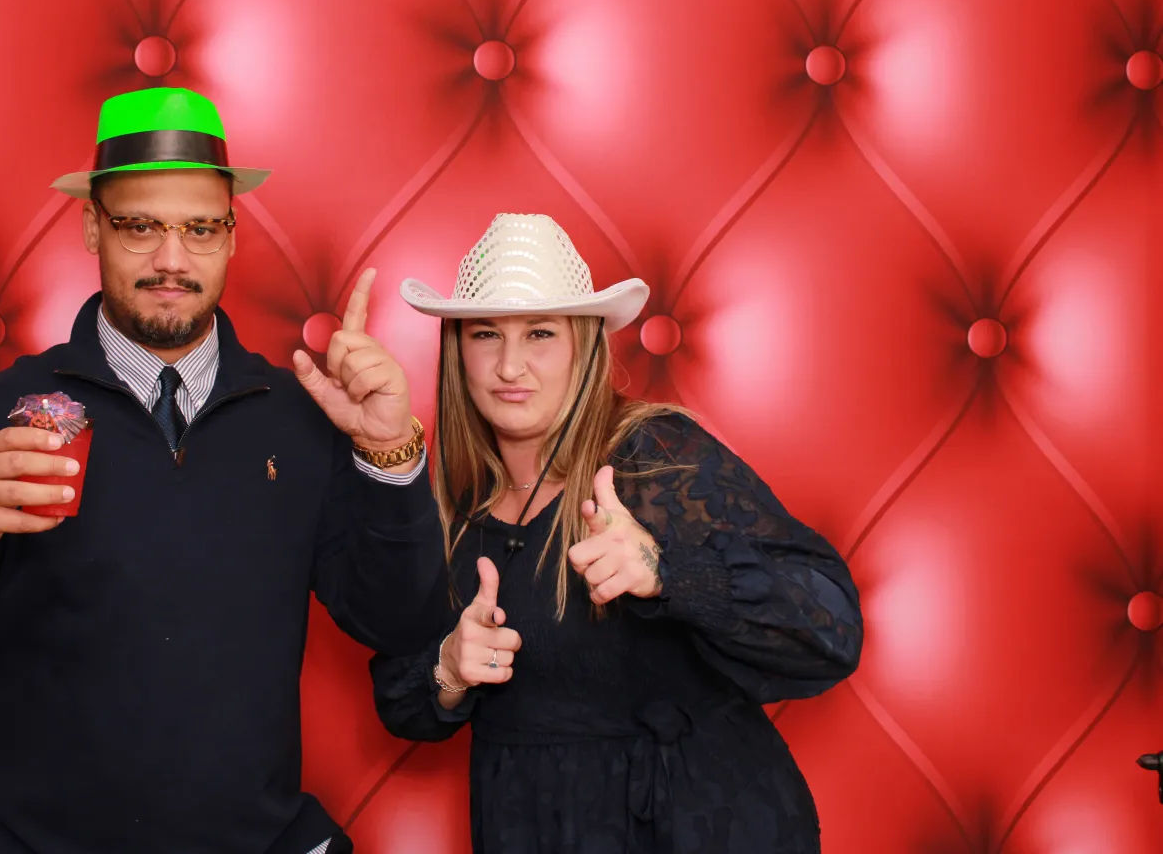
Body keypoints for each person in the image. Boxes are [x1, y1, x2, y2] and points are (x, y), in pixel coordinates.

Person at [0, 87, 446, 854]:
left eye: (200, 228)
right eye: (140, 227)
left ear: (232, 236)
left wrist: (389, 453)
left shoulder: (298, 420)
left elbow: (402, 623)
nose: (172, 260)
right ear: (92, 228)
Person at [370, 213, 864, 853]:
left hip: (696, 828)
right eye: (486, 333)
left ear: (584, 346)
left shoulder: (653, 456)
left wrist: (669, 574)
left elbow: (831, 631)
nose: (510, 365)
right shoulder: (448, 505)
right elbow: (401, 700)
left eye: (540, 333)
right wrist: (449, 669)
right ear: (456, 349)